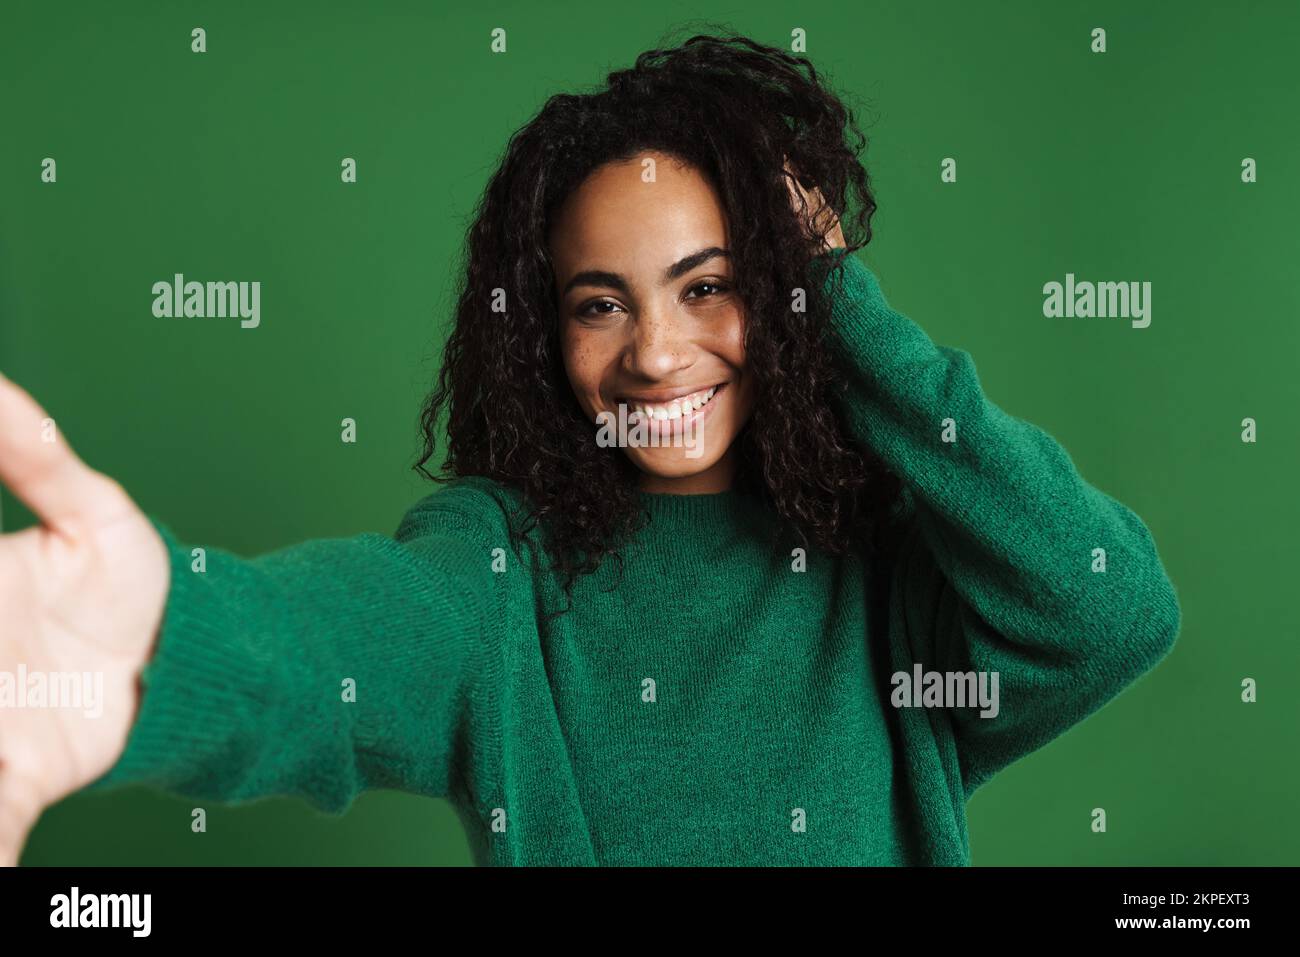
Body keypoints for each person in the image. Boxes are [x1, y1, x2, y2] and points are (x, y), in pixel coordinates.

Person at [0, 34, 1179, 866]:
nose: (657, 356)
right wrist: (161, 633)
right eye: (599, 304)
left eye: (711, 287)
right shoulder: (501, 572)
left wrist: (835, 298)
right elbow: (352, 638)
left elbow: (1109, 607)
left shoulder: (885, 577)